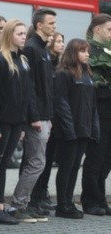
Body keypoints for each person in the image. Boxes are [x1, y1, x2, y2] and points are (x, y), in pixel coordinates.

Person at [0, 19, 31, 225]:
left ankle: (0, 204)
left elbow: (25, 93)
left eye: (24, 33)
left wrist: (23, 123)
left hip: (16, 121)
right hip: (2, 120)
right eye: (19, 34)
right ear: (10, 35)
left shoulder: (22, 59)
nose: (23, 37)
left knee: (3, 165)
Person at [11, 8, 56, 223]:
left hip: (44, 115)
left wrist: (49, 115)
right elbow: (30, 88)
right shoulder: (32, 48)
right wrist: (35, 116)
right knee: (36, 162)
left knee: (35, 161)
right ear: (39, 25)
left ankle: (27, 203)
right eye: (51, 23)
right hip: (35, 118)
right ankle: (19, 205)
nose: (54, 27)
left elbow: (47, 87)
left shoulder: (43, 49)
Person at [54, 38, 99, 219]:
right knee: (66, 167)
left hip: (83, 129)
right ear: (74, 53)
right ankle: (62, 204)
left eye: (87, 51)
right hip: (69, 130)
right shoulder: (64, 74)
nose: (87, 54)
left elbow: (92, 105)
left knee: (74, 168)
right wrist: (69, 129)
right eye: (83, 51)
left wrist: (94, 128)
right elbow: (61, 103)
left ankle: (69, 201)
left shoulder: (87, 74)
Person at [31, 31, 65, 211]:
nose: (59, 43)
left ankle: (42, 192)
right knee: (39, 159)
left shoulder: (60, 66)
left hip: (53, 117)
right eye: (56, 40)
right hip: (45, 115)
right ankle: (35, 196)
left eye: (61, 41)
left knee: (49, 158)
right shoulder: (45, 62)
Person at [82, 13, 111, 216]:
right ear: (97, 29)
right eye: (109, 29)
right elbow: (93, 83)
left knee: (107, 158)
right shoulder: (89, 50)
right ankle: (90, 200)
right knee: (95, 157)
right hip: (99, 110)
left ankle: (101, 198)